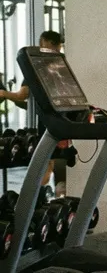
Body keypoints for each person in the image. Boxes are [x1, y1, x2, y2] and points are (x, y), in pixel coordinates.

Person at [0, 30, 64, 189]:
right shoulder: (59, 66)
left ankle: (35, 196)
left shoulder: (37, 66)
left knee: (45, 163)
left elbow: (22, 96)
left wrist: (4, 94)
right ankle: (39, 195)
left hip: (46, 124)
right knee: (48, 163)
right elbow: (25, 102)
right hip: (56, 121)